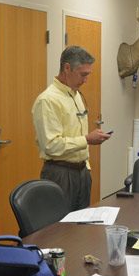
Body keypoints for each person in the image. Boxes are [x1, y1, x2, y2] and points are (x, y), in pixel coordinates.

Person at [32, 46, 111, 211]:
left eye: (88, 74)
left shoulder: (76, 95)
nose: (86, 80)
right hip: (60, 173)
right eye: (83, 74)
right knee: (60, 229)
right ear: (67, 68)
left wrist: (86, 168)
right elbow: (51, 145)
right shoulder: (48, 100)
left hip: (81, 172)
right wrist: (87, 140)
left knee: (81, 226)